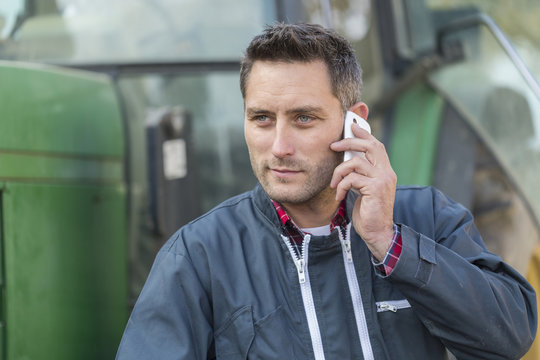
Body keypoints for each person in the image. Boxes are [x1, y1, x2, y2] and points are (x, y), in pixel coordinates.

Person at [116, 23, 537, 359]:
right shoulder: (196, 256)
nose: (279, 146)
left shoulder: (427, 216)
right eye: (261, 118)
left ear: (354, 123)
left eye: (303, 118)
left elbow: (508, 338)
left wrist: (390, 243)